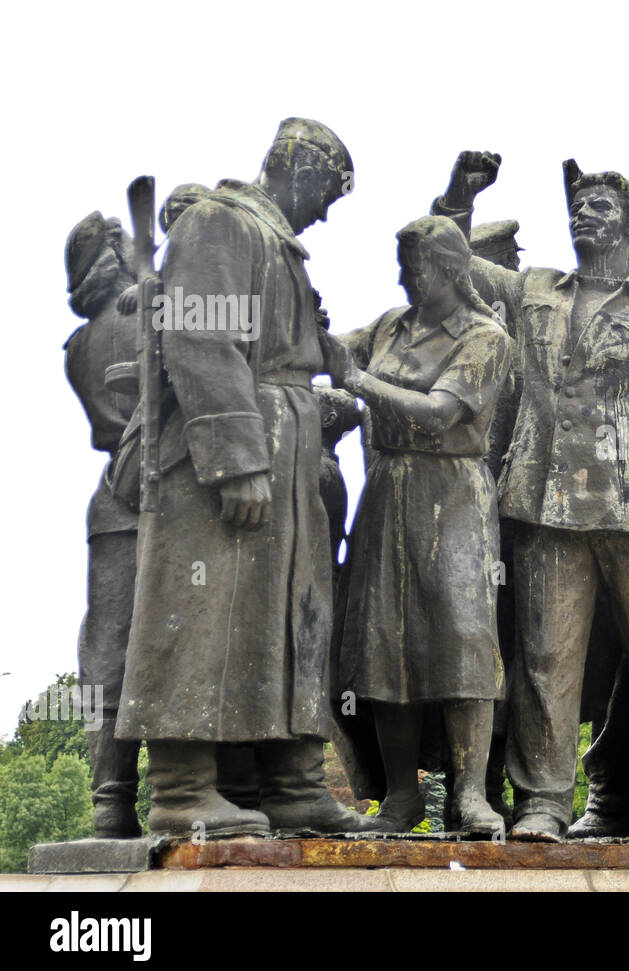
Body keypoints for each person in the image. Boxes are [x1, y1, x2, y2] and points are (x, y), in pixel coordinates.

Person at [432, 151, 629, 841]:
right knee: (545, 661)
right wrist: (459, 195)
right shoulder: (534, 290)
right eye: (579, 204)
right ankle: (544, 803)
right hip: (547, 507)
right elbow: (448, 260)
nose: (584, 213)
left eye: (601, 206)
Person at [115, 118, 368, 836]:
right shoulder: (218, 223)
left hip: (288, 448)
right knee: (204, 610)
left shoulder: (279, 246)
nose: (327, 210)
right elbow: (199, 336)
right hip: (232, 454)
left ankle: (291, 782)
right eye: (328, 191)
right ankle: (182, 789)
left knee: (292, 620)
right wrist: (237, 461)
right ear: (300, 167)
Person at [320, 215, 513, 837]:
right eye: (402, 265)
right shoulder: (386, 327)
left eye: (418, 266)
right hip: (387, 493)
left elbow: (439, 412)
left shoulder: (485, 337)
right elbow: (321, 349)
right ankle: (403, 799)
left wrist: (356, 380)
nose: (406, 277)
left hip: (453, 493)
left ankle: (472, 794)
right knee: (386, 645)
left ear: (453, 270)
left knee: (463, 639)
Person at [63, 212, 142, 837]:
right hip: (159, 494)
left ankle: (110, 804)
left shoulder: (80, 342)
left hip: (111, 503)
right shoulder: (143, 316)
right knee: (177, 639)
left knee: (107, 649)